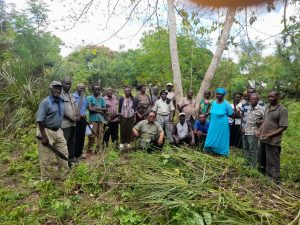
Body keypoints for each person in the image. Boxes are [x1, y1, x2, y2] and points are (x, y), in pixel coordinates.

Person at [36, 81, 70, 180]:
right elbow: (40, 120)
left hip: (58, 131)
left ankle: (65, 176)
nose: (57, 90)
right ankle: (46, 179)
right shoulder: (45, 102)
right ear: (50, 89)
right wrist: (44, 136)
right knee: (46, 157)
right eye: (55, 88)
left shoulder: (61, 100)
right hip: (46, 130)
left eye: (59, 88)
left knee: (63, 153)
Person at [258, 91, 288, 183]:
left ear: (277, 97)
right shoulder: (267, 107)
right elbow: (265, 121)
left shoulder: (282, 109)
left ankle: (274, 178)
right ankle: (262, 174)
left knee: (273, 160)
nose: (270, 98)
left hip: (273, 140)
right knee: (262, 158)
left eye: (272, 97)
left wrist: (269, 135)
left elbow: (283, 126)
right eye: (269, 97)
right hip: (263, 138)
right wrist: (259, 131)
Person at [204, 88, 233, 156]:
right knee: (211, 137)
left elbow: (231, 114)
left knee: (221, 138)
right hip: (213, 124)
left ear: (223, 95)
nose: (218, 95)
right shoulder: (213, 103)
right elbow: (210, 111)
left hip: (222, 125)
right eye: (217, 94)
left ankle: (221, 152)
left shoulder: (226, 104)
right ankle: (210, 150)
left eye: (220, 94)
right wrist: (204, 115)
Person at [243, 93, 265, 168]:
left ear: (258, 100)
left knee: (253, 149)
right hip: (245, 131)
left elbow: (266, 120)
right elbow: (247, 119)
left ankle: (253, 165)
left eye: (254, 99)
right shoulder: (249, 107)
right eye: (251, 99)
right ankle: (246, 162)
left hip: (253, 132)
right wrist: (243, 127)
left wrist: (259, 129)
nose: (252, 100)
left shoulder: (262, 109)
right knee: (245, 148)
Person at [61, 78, 78, 162]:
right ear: (62, 84)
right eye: (66, 84)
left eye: (69, 84)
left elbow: (75, 107)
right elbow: (61, 110)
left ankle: (71, 158)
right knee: (64, 142)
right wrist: (71, 118)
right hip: (65, 124)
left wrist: (77, 116)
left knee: (72, 141)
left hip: (73, 123)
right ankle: (64, 160)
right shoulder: (60, 95)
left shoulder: (71, 95)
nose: (68, 85)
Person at [86, 85, 107, 156]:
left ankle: (98, 150)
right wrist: (100, 110)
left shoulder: (102, 99)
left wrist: (98, 109)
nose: (97, 91)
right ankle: (89, 150)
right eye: (95, 90)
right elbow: (90, 109)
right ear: (93, 90)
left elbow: (105, 109)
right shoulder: (89, 98)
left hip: (101, 120)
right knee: (90, 135)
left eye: (98, 90)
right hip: (92, 120)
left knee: (100, 135)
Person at [73, 83, 88, 160]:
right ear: (76, 88)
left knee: (82, 137)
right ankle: (74, 155)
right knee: (76, 137)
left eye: (83, 88)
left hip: (83, 119)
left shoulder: (84, 97)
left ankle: (80, 153)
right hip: (76, 119)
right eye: (80, 88)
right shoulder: (73, 97)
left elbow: (86, 108)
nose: (81, 89)